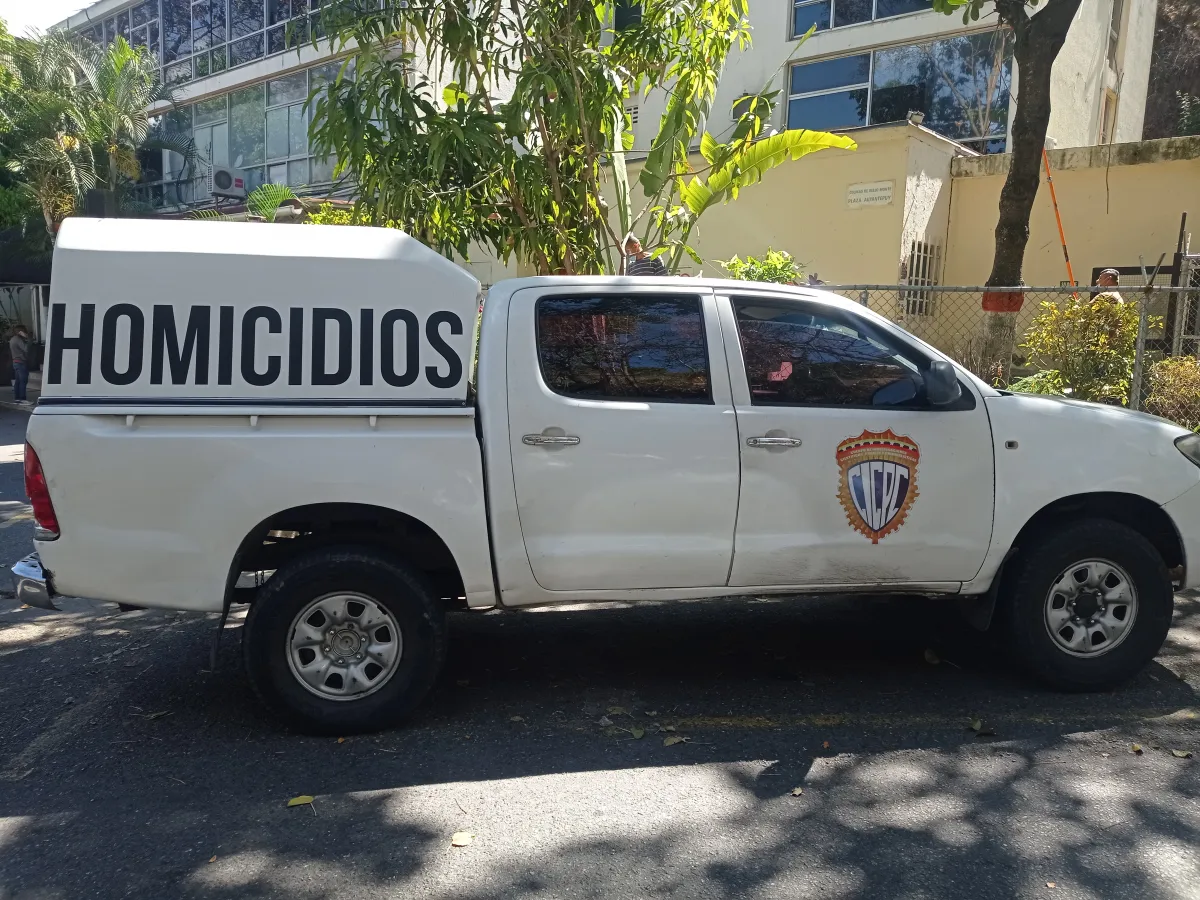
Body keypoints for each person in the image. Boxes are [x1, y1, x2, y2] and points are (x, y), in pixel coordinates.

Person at [9, 325, 30, 406]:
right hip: (21, 362)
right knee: (23, 381)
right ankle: (22, 399)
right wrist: (27, 338)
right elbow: (26, 349)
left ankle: (17, 399)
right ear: (21, 332)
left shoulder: (12, 339)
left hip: (15, 362)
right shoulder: (18, 340)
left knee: (18, 381)